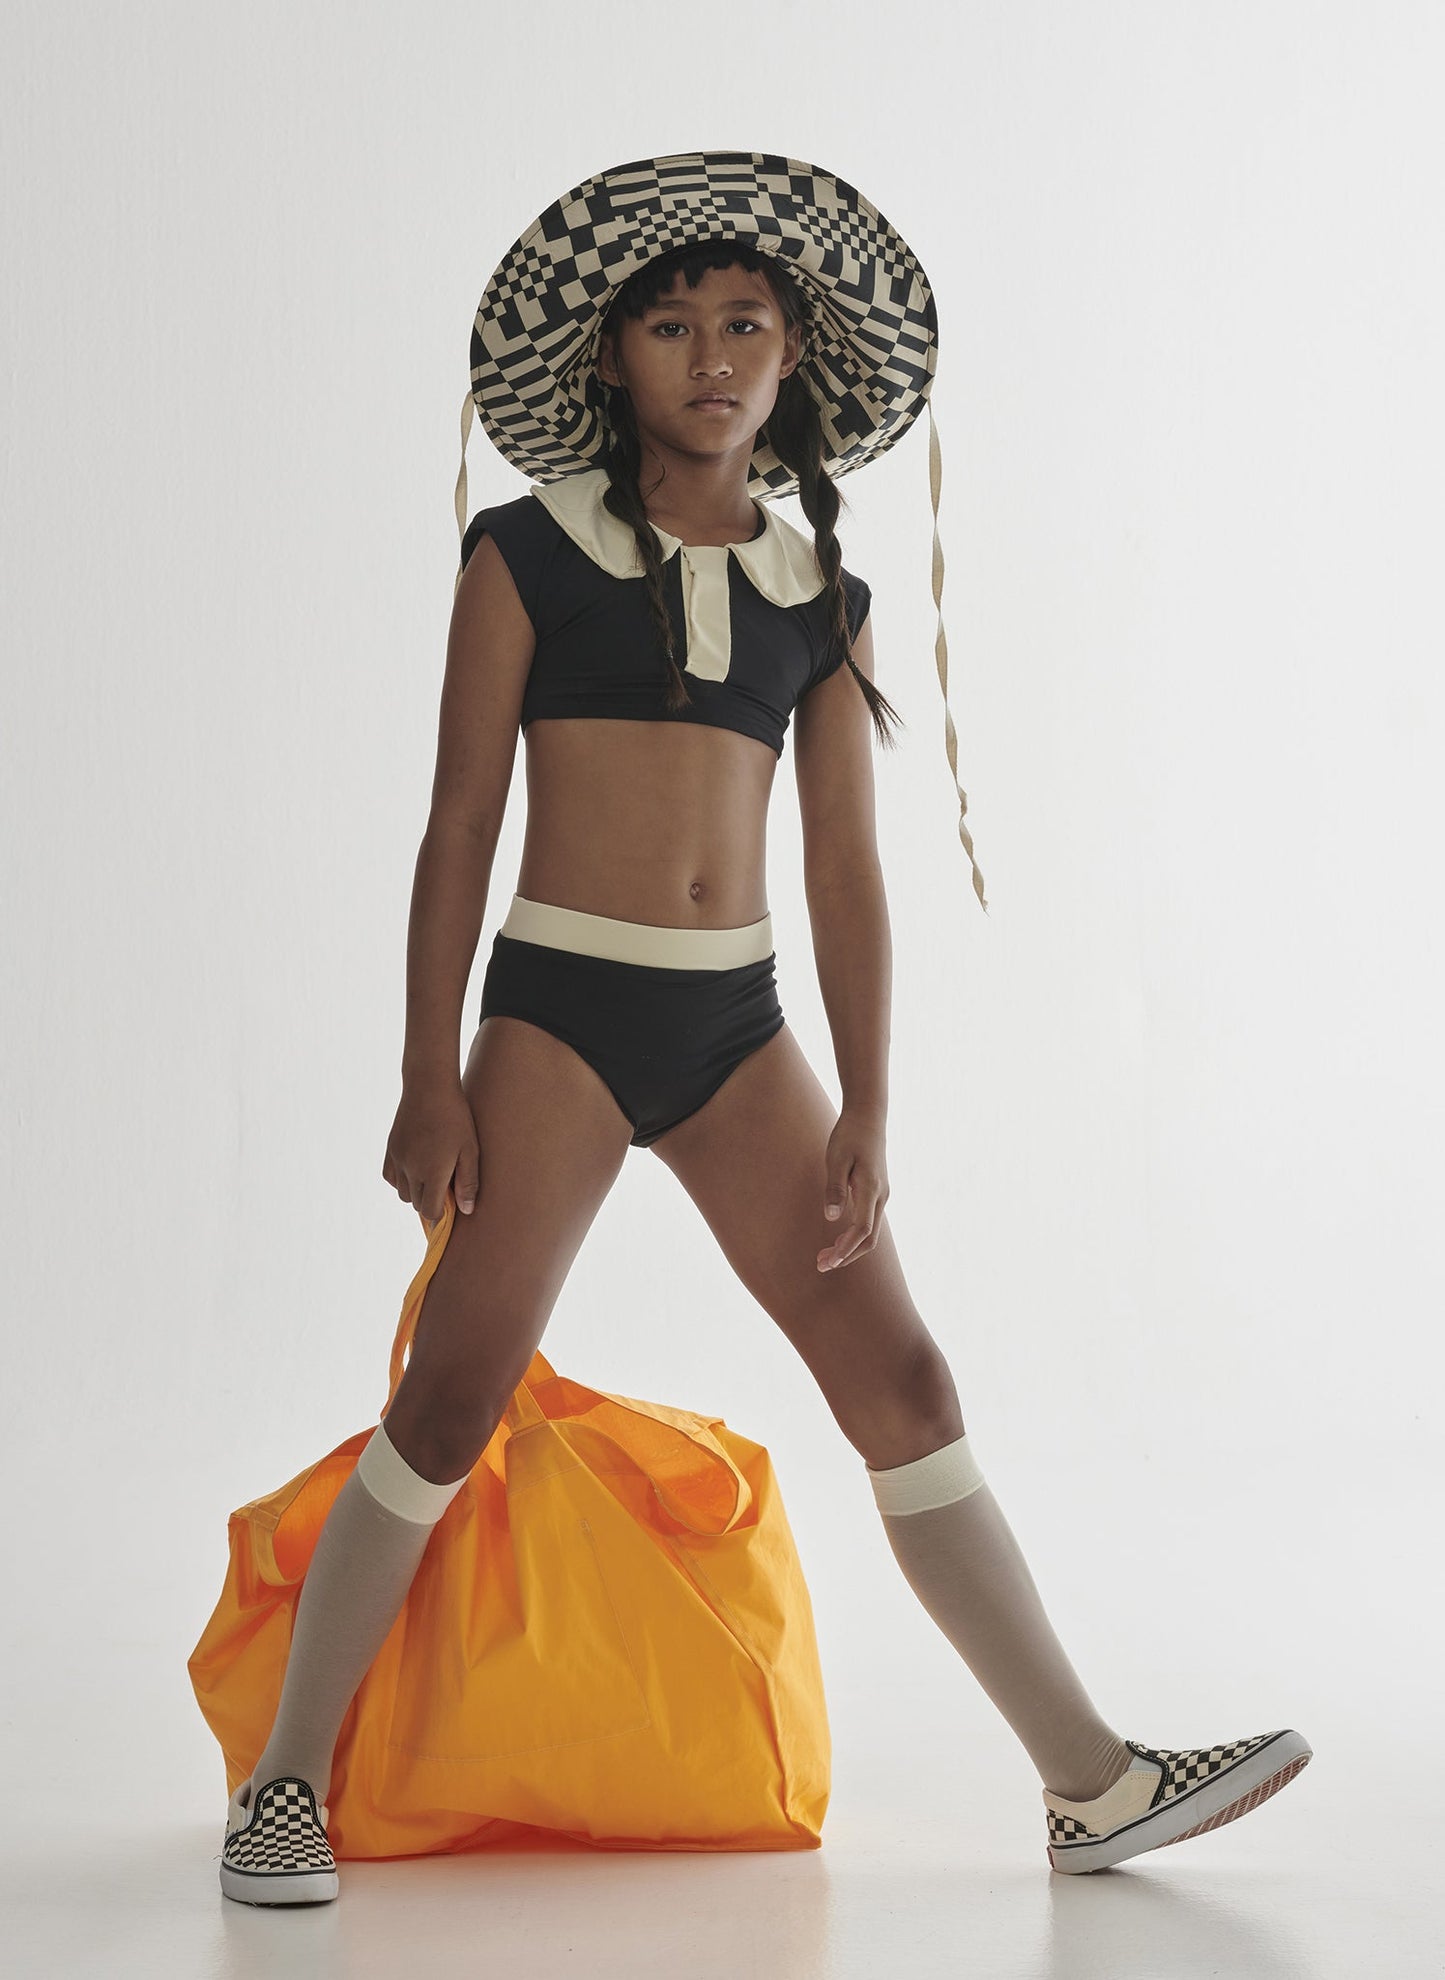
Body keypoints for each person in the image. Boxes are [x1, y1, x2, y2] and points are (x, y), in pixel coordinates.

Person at [219, 151, 1310, 1906]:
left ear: (794, 360)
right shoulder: (524, 554)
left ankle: (1089, 1783)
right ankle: (282, 1784)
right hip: (558, 1015)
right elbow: (457, 824)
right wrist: (427, 1071)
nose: (711, 356)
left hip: (735, 1028)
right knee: (451, 1393)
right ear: (613, 358)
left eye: (744, 325)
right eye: (672, 326)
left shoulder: (820, 601)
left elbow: (846, 876)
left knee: (908, 1380)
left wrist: (867, 1099)